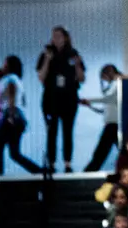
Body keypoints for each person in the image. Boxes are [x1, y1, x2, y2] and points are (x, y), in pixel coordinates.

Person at [36, 26, 85, 174]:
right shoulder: (46, 53)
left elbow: (81, 79)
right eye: (53, 36)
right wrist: (47, 60)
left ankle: (67, 163)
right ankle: (51, 162)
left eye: (59, 36)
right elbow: (41, 77)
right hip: (51, 99)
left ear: (65, 38)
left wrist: (77, 64)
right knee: (52, 131)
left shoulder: (73, 54)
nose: (56, 39)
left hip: (69, 98)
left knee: (67, 131)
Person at [0, 57, 43, 176]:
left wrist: (11, 113)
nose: (2, 66)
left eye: (5, 63)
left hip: (10, 114)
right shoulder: (16, 79)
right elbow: (20, 100)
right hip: (17, 116)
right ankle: (38, 171)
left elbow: (11, 93)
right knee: (14, 154)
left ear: (9, 66)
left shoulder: (11, 78)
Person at [82, 64, 121, 172]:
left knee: (101, 151)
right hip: (111, 123)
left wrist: (90, 100)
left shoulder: (118, 83)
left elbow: (109, 99)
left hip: (114, 124)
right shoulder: (113, 85)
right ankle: (90, 170)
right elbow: (106, 109)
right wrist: (90, 106)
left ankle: (89, 172)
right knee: (105, 151)